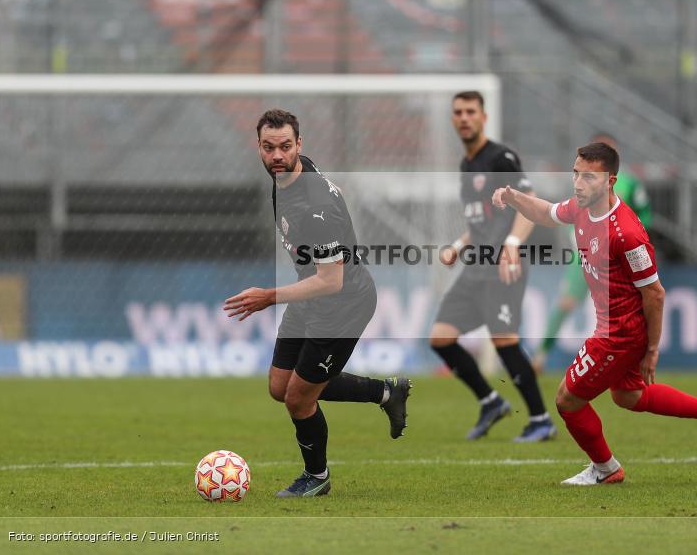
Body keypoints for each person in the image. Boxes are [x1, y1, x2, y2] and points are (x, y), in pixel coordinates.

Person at [492, 142, 697, 485]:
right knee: (628, 396)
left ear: (610, 181)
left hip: (620, 333)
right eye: (575, 173)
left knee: (567, 399)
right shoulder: (582, 208)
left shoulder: (627, 234)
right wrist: (514, 197)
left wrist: (651, 349)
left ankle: (606, 469)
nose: (578, 183)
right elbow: (546, 212)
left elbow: (655, 294)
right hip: (614, 327)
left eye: (588, 176)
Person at [224, 109, 411, 498]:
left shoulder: (314, 210)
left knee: (297, 397)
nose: (277, 155)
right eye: (268, 147)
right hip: (310, 292)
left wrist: (268, 297)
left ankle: (317, 477)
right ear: (258, 146)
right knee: (280, 386)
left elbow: (331, 281)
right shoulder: (287, 174)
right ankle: (386, 393)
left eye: (285, 147)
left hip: (343, 303)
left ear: (300, 145)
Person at [430, 91, 556, 442]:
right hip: (475, 267)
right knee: (440, 338)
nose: (464, 117)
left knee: (504, 340)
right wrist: (457, 246)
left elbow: (528, 207)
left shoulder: (501, 158)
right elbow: (480, 222)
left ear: (484, 117)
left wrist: (512, 245)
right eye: (458, 112)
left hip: (503, 267)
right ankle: (490, 401)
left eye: (471, 111)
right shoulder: (467, 165)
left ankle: (541, 419)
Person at [533, 132, 651, 373]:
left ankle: (636, 359)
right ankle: (540, 356)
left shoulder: (629, 182)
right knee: (566, 303)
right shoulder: (583, 180)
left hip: (616, 258)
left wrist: (633, 240)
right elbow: (572, 212)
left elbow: (643, 214)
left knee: (626, 308)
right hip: (585, 255)